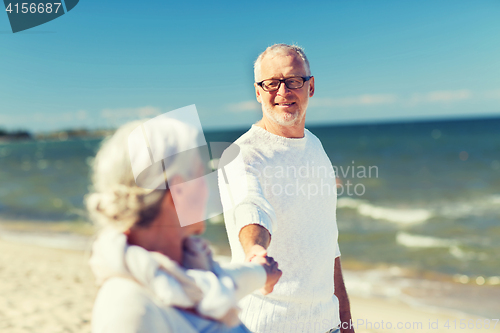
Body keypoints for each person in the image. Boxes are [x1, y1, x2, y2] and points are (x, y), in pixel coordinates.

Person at [86, 118, 282, 333]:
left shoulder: (191, 272)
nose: (208, 187)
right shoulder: (128, 308)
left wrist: (263, 271)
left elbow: (225, 281)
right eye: (201, 174)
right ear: (178, 192)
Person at [218, 44, 354, 333]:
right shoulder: (241, 154)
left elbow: (329, 243)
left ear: (311, 86)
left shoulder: (315, 147)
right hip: (266, 325)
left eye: (293, 81)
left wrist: (345, 321)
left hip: (327, 325)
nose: (282, 92)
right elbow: (250, 206)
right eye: (271, 83)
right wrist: (255, 251)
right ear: (257, 91)